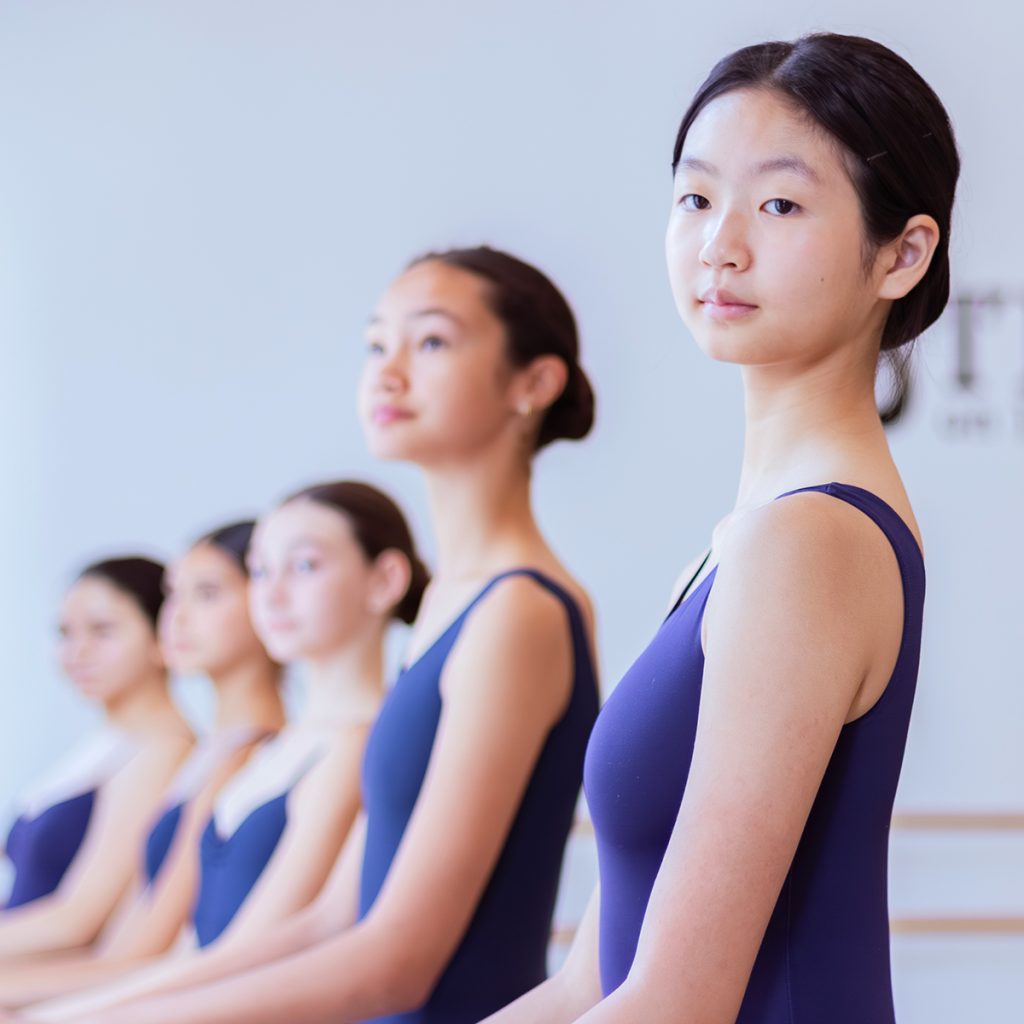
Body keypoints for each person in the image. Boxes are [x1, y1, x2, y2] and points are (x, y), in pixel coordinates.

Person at [484, 32, 959, 1024]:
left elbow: (678, 1000)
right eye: (696, 198)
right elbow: (591, 982)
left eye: (778, 204)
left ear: (901, 254)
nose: (720, 243)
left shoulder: (807, 542)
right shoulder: (741, 543)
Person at [40, 246, 600, 1024]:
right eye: (376, 345)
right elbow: (333, 919)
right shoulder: (449, 610)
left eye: (430, 342)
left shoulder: (520, 610)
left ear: (533, 383)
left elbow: (399, 962)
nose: (388, 371)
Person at [20, 480, 426, 1021]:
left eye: (303, 567)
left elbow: (255, 951)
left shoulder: (348, 746)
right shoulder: (266, 755)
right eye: (260, 572)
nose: (177, 618)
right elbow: (179, 948)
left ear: (385, 580)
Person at [0, 522, 284, 1006]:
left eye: (206, 594)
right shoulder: (207, 756)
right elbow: (126, 944)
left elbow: (118, 938)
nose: (176, 618)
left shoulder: (219, 753)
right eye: (174, 596)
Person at [0, 558, 193, 958]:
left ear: (163, 637)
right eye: (65, 633)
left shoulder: (163, 750)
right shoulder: (103, 744)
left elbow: (79, 919)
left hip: (49, 981)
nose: (77, 651)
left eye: (102, 631)